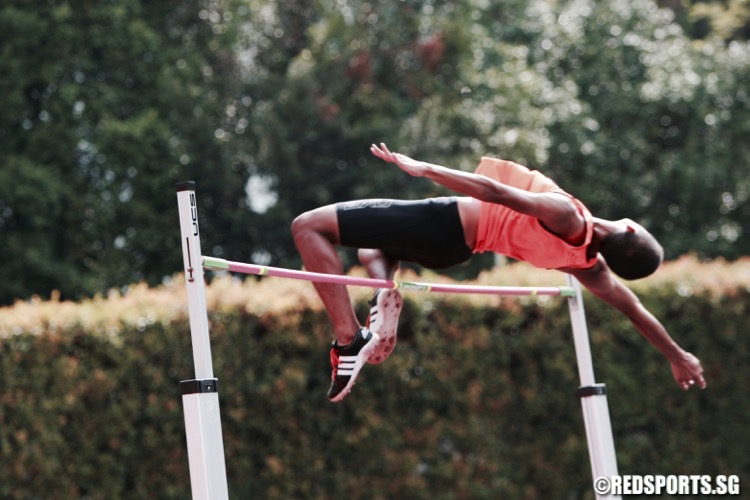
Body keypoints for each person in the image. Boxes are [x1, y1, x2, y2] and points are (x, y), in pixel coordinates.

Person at [291, 143, 706, 402]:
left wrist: (425, 168)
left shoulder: (568, 215)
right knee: (372, 249)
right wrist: (679, 356)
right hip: (455, 251)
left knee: (308, 226)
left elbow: (495, 191)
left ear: (632, 227)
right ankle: (384, 294)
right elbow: (634, 310)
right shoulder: (588, 266)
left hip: (445, 220)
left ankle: (349, 339)